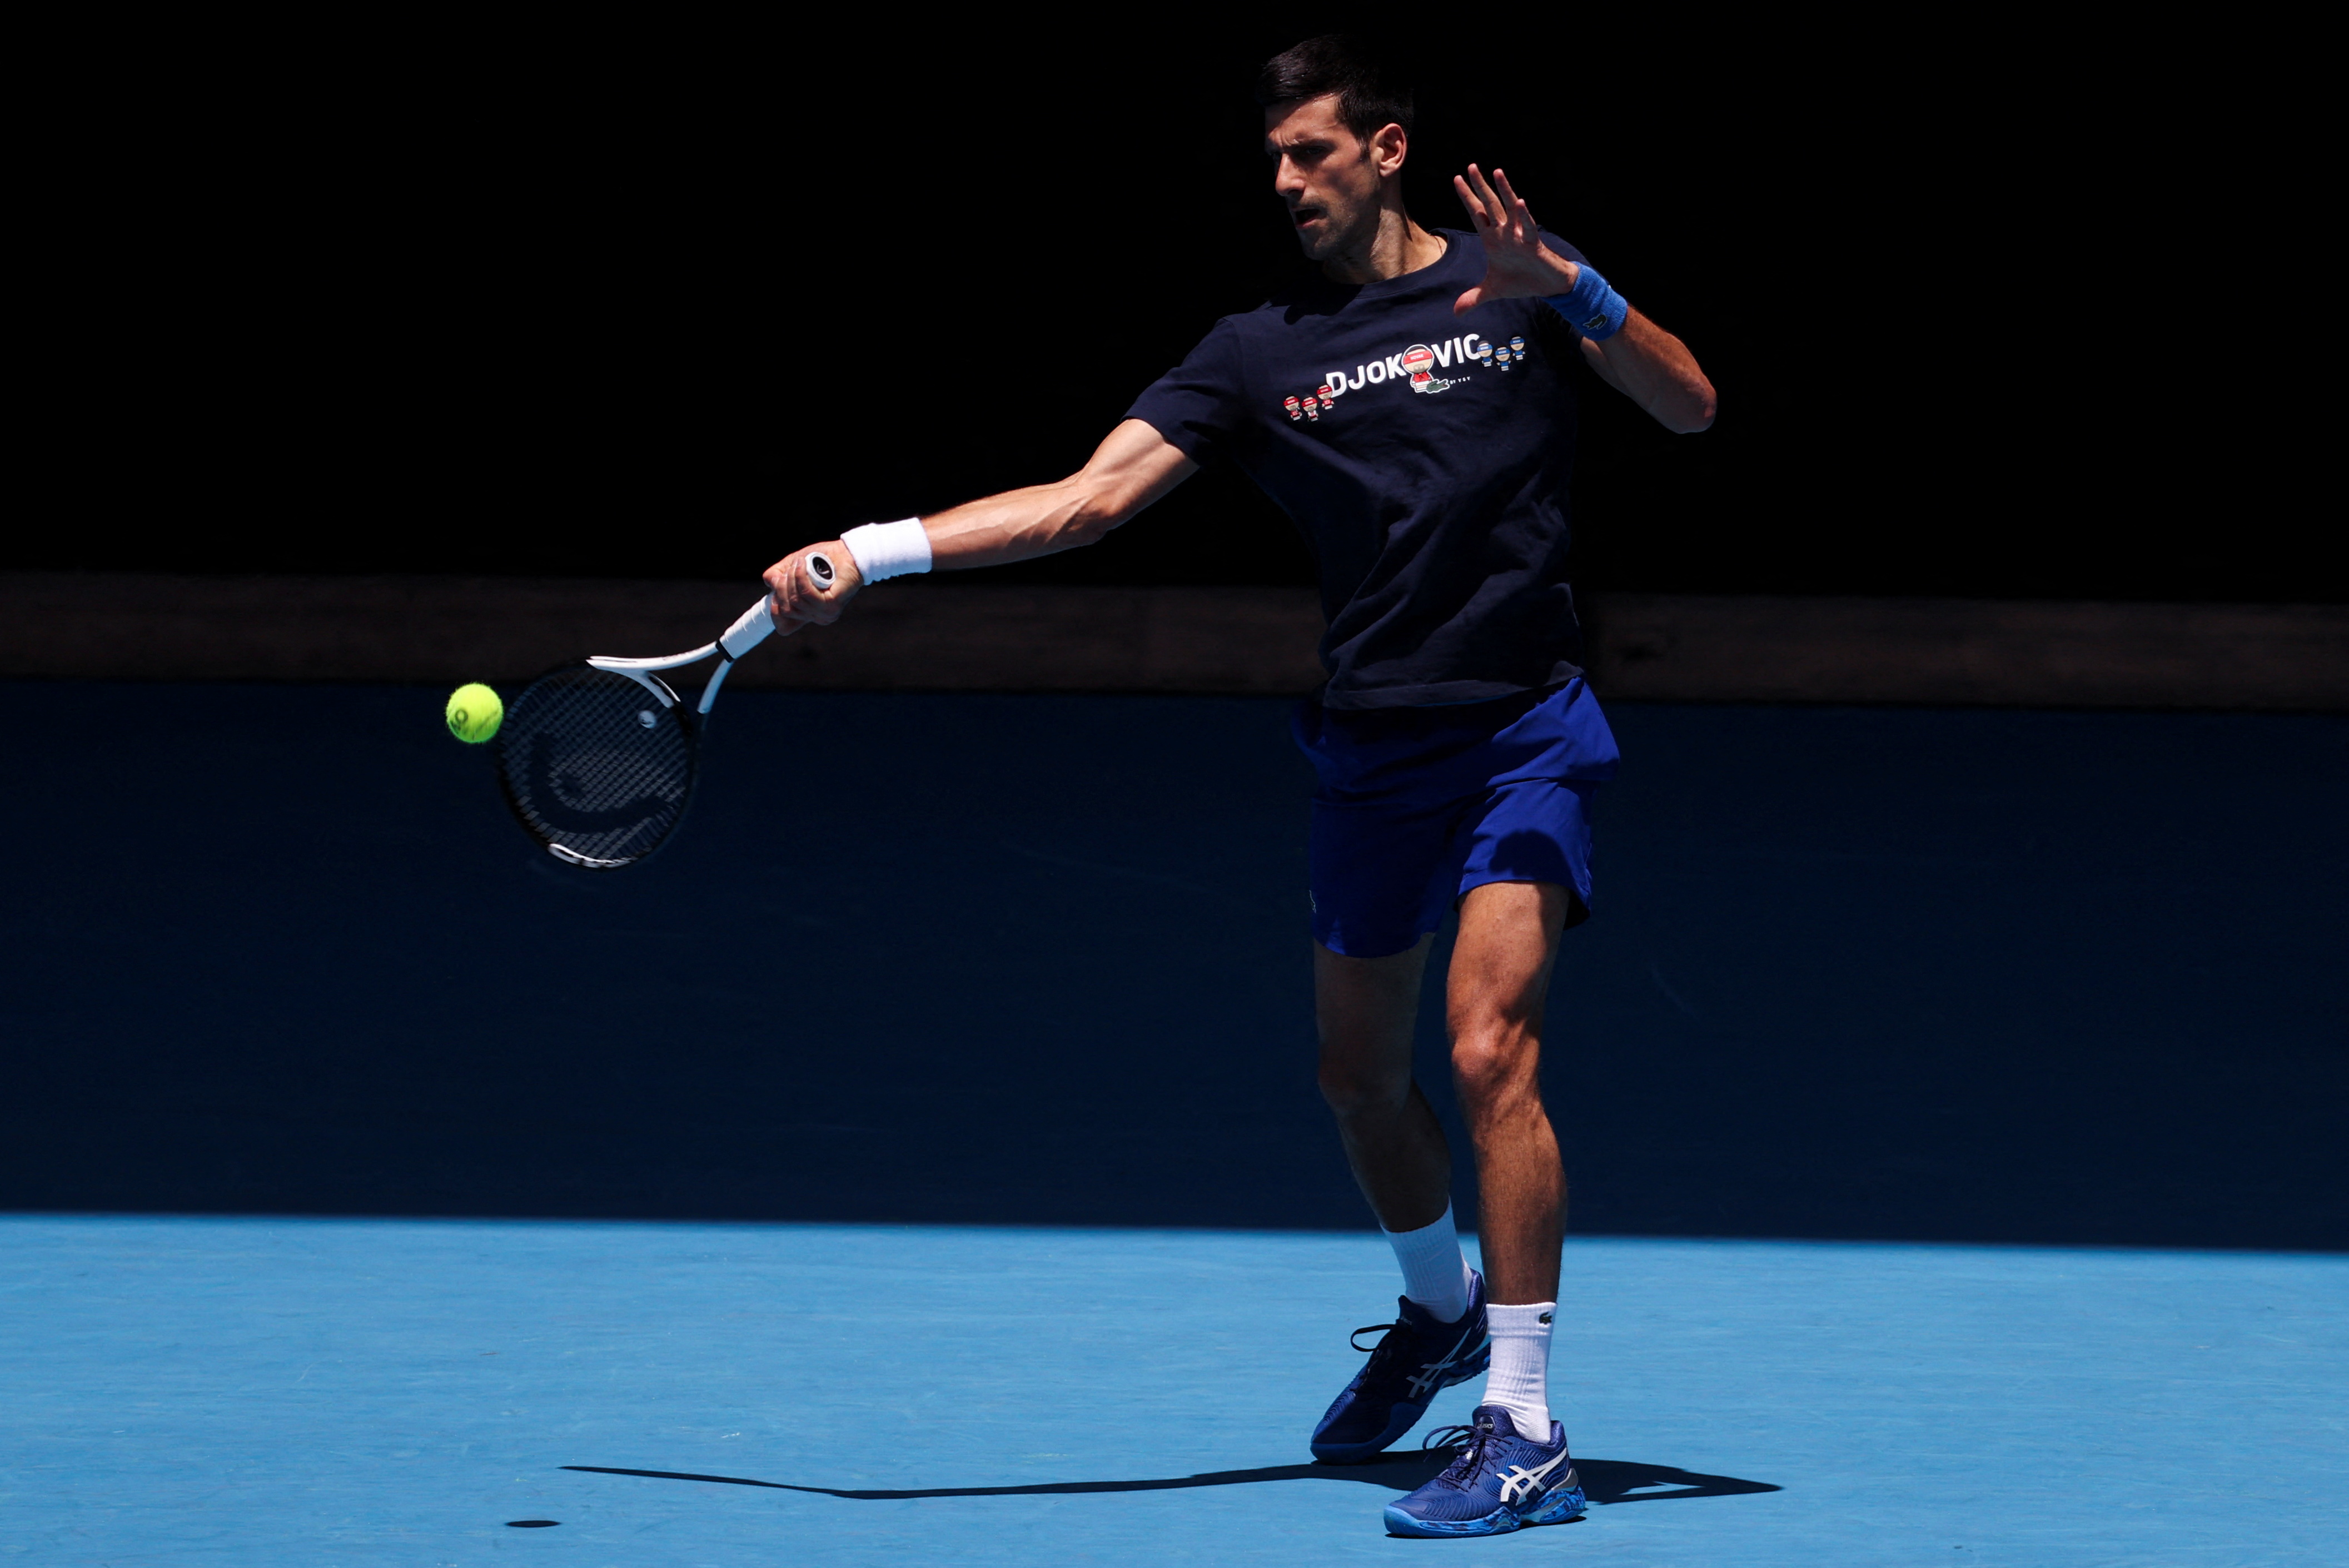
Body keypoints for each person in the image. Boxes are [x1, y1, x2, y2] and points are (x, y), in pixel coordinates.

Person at [760, 34, 1714, 1540]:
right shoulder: (1254, 352)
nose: (1283, 184)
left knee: (1486, 1054)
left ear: (1387, 148)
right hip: (1369, 746)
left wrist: (1576, 292)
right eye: (1271, 161)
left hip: (1522, 729)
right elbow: (1085, 500)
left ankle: (1521, 1425)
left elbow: (1689, 406)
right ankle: (1436, 1308)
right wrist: (871, 552)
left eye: (1310, 154)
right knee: (1356, 1074)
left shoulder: (1514, 280)